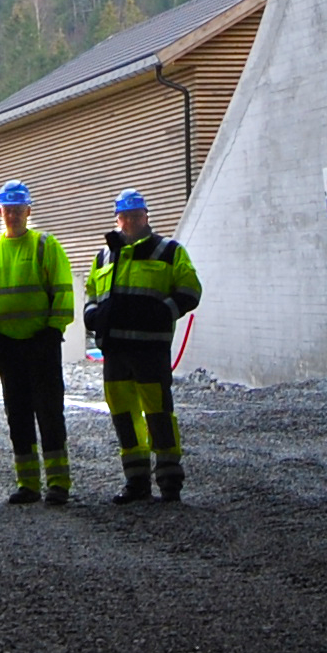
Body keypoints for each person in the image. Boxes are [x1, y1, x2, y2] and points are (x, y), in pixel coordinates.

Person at [85, 188, 202, 502]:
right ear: (117, 219)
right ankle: (135, 481)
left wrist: (163, 313)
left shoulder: (168, 251)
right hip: (116, 352)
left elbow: (191, 291)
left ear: (146, 216)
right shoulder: (104, 256)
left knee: (159, 415)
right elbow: (92, 292)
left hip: (150, 351)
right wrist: (91, 315)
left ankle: (169, 480)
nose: (131, 221)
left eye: (136, 215)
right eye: (125, 216)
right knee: (124, 416)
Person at [0, 180, 79, 505]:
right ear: (0, 212)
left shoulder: (45, 245)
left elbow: (62, 290)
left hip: (41, 344)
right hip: (8, 346)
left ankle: (58, 483)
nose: (13, 215)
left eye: (18, 210)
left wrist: (54, 330)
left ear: (28, 211)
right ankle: (27, 484)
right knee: (17, 415)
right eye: (8, 210)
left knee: (49, 413)